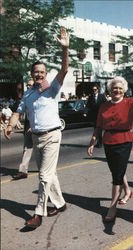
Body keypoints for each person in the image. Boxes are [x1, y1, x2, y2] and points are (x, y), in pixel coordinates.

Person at [4, 27, 69, 228]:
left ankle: (38, 213)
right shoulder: (28, 94)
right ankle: (60, 203)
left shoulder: (52, 89)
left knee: (43, 177)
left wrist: (65, 49)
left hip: (52, 136)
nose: (39, 75)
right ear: (32, 74)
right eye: (36, 72)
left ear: (45, 74)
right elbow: (18, 112)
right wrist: (10, 123)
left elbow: (64, 69)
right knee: (49, 174)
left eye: (42, 72)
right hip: (36, 137)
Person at [87, 74, 133, 222]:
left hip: (124, 141)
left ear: (124, 90)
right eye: (114, 88)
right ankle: (128, 191)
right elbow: (98, 126)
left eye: (120, 88)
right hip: (108, 142)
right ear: (110, 90)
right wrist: (92, 142)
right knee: (116, 170)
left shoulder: (129, 102)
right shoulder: (104, 106)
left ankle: (112, 206)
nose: (117, 90)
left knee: (117, 174)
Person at [12, 79, 34, 180]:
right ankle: (23, 171)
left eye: (30, 85)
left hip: (38, 126)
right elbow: (19, 111)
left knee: (42, 149)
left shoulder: (39, 95)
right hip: (28, 124)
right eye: (27, 85)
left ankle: (48, 168)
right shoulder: (26, 96)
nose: (28, 87)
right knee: (27, 148)